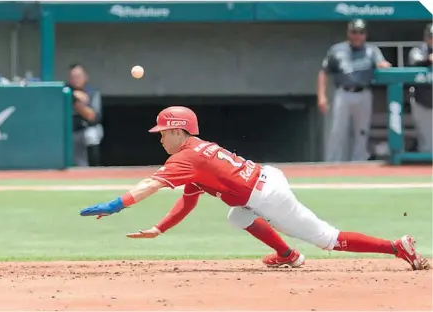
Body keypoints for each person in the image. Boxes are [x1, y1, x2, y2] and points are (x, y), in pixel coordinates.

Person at [79, 106, 429, 271]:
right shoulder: (199, 151)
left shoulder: (186, 157)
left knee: (328, 238)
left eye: (163, 133)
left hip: (267, 195)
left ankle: (397, 247)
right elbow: (188, 201)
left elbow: (148, 186)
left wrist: (115, 205)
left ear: (178, 131)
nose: (160, 139)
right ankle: (287, 255)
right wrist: (160, 228)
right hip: (265, 179)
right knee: (237, 217)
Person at [318, 19, 391, 162]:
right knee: (338, 131)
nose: (357, 35)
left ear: (365, 34)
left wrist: (382, 64)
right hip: (343, 93)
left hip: (364, 93)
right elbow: (324, 72)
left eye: (361, 32)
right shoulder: (337, 50)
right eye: (354, 32)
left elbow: (381, 63)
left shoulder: (372, 50)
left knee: (362, 131)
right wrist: (321, 96)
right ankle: (333, 164)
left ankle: (359, 163)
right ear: (348, 33)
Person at [67, 64, 102, 167]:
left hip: (86, 128)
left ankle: (94, 167)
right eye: (73, 77)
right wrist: (72, 96)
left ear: (85, 77)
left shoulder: (92, 92)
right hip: (69, 129)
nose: (76, 80)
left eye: (79, 76)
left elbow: (93, 117)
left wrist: (78, 104)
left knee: (92, 134)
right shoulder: (65, 90)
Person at [408, 23, 433, 153]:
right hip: (422, 100)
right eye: (430, 36)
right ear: (426, 37)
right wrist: (429, 60)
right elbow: (416, 62)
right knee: (426, 140)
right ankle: (425, 169)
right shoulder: (417, 50)